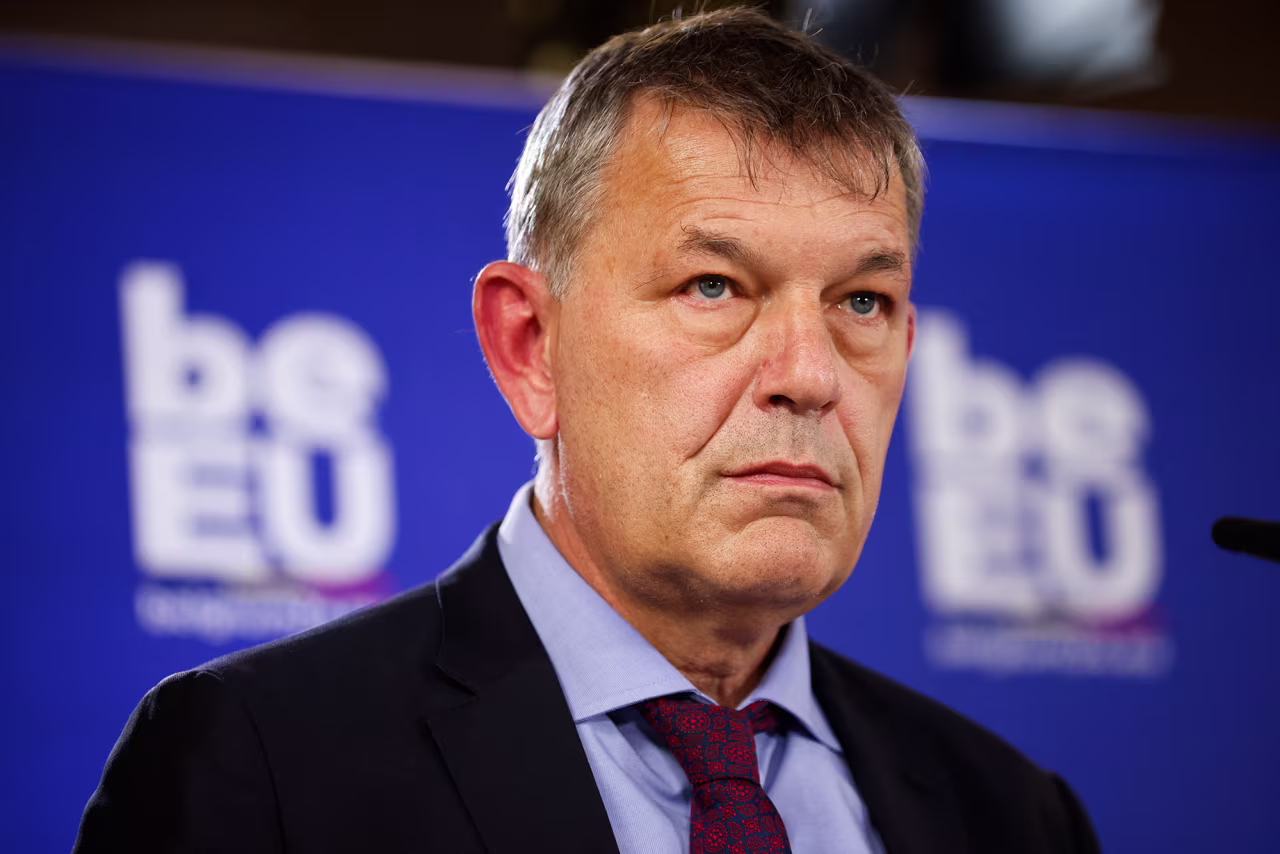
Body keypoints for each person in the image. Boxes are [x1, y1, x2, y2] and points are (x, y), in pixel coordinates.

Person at [75, 8, 1100, 853]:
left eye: (862, 302)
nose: (808, 374)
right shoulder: (261, 767)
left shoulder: (1012, 814)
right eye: (714, 285)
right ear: (528, 344)